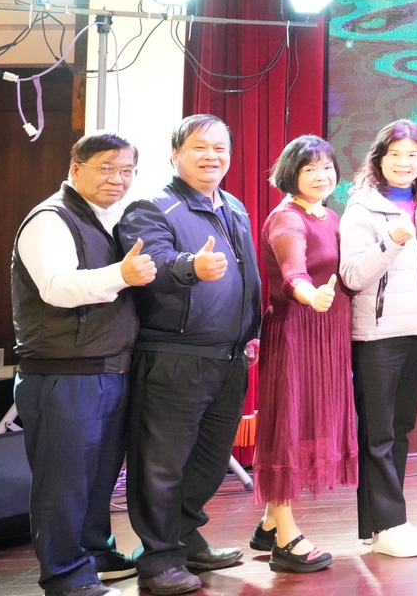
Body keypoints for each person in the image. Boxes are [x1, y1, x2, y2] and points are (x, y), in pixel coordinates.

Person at [119, 115, 263, 596]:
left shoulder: (234, 206)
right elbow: (149, 263)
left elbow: (247, 277)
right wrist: (191, 267)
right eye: (200, 147)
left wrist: (251, 332)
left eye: (220, 148)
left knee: (210, 460)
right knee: (161, 464)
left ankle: (183, 536)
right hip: (174, 355)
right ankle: (158, 559)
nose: (212, 156)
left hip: (230, 357)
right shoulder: (151, 206)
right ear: (175, 153)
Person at [13, 133, 149, 596]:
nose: (117, 178)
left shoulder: (109, 219)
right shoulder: (50, 218)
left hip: (109, 367)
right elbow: (55, 286)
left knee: (98, 477)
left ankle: (95, 553)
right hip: (62, 373)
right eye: (106, 167)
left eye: (127, 170)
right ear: (75, 169)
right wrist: (121, 275)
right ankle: (66, 577)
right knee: (64, 483)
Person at [339, 120, 417, 557]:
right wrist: (393, 242)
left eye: (412, 155)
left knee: (399, 431)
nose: (404, 163)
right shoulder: (362, 209)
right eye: (395, 155)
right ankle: (387, 524)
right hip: (377, 336)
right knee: (378, 435)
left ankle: (383, 524)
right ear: (379, 160)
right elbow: (352, 276)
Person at [250, 136, 352, 573]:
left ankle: (270, 523)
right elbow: (294, 273)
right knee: (288, 429)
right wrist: (313, 297)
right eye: (310, 168)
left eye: (327, 167)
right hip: (296, 332)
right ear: (291, 174)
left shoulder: (329, 214)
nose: (321, 176)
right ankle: (286, 541)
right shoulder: (287, 218)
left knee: (307, 423)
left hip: (326, 332)